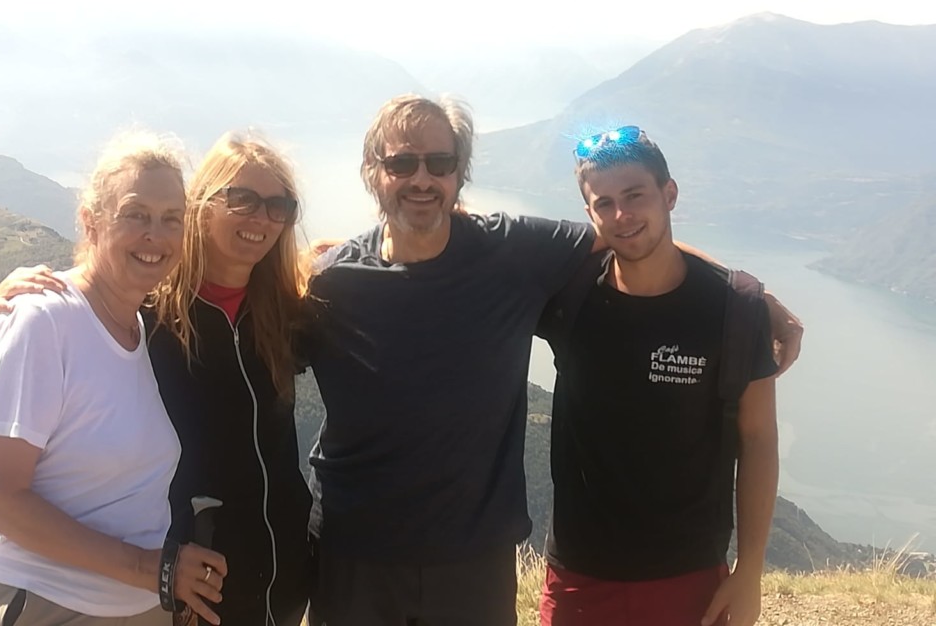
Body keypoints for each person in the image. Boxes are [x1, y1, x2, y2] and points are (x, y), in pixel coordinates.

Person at [304, 94, 802, 626]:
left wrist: (748, 295)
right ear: (373, 171)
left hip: (475, 563)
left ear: (459, 173)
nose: (421, 178)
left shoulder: (512, 251)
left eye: (439, 162)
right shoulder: (331, 281)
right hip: (355, 553)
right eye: (402, 163)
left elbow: (627, 237)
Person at [0, 132, 313, 626]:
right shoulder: (153, 314)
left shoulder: (287, 315)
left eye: (278, 205)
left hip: (280, 582)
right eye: (242, 199)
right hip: (191, 585)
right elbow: (56, 336)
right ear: (202, 209)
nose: (261, 217)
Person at [0, 133, 227, 626]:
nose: (155, 235)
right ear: (91, 221)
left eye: (171, 219)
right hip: (38, 602)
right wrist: (152, 568)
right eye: (136, 214)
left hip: (136, 606)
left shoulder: (141, 328)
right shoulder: (41, 321)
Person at [538, 127, 779, 626]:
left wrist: (750, 569)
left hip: (690, 575)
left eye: (635, 196)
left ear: (669, 193)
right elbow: (468, 247)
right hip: (579, 574)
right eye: (604, 204)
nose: (621, 216)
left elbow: (758, 439)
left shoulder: (735, 309)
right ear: (590, 214)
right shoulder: (569, 295)